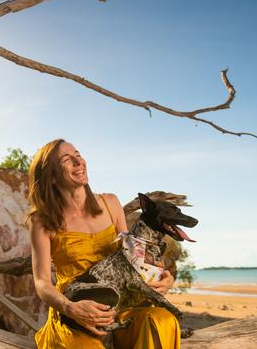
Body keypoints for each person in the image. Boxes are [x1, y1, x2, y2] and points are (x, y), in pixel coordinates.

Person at [28, 139, 180, 348]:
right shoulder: (42, 222)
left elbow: (135, 254)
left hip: (122, 301)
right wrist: (70, 308)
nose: (78, 161)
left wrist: (164, 277)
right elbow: (42, 282)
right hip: (77, 305)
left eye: (78, 154)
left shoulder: (110, 203)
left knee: (162, 321)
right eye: (66, 159)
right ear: (52, 177)